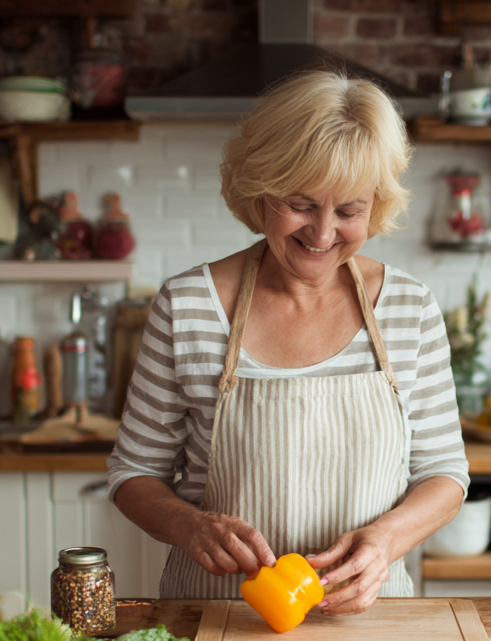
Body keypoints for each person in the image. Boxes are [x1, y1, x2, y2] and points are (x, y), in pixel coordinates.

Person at [108, 69, 468, 613]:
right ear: (260, 191)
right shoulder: (189, 305)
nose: (321, 234)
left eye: (349, 211)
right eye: (300, 203)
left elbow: (444, 472)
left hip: (368, 618)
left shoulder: (408, 308)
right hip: (215, 615)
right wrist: (190, 526)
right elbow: (133, 473)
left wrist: (386, 541)